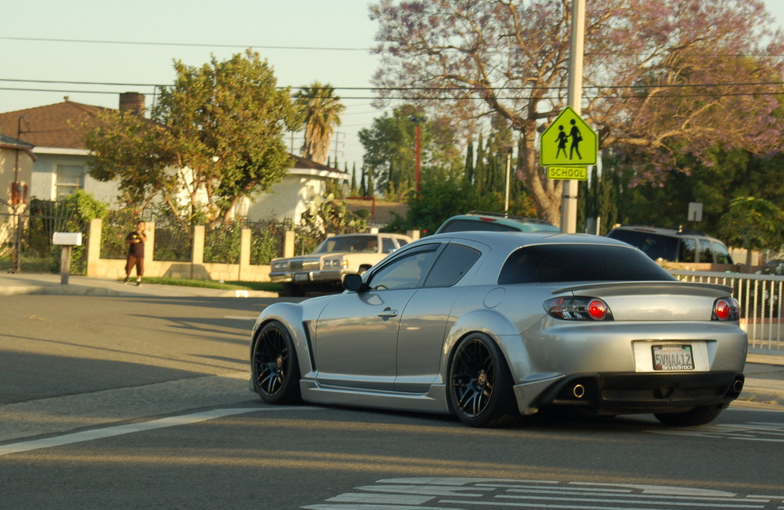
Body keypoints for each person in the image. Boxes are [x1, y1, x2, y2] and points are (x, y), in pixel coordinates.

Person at [124, 221, 146, 286]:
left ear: (144, 227)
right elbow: (126, 241)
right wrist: (132, 241)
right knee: (128, 266)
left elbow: (144, 240)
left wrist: (139, 233)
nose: (140, 226)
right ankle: (127, 277)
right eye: (139, 225)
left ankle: (138, 280)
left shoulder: (143, 234)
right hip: (132, 253)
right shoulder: (131, 234)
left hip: (140, 254)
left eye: (142, 225)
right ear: (136, 225)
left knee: (140, 267)